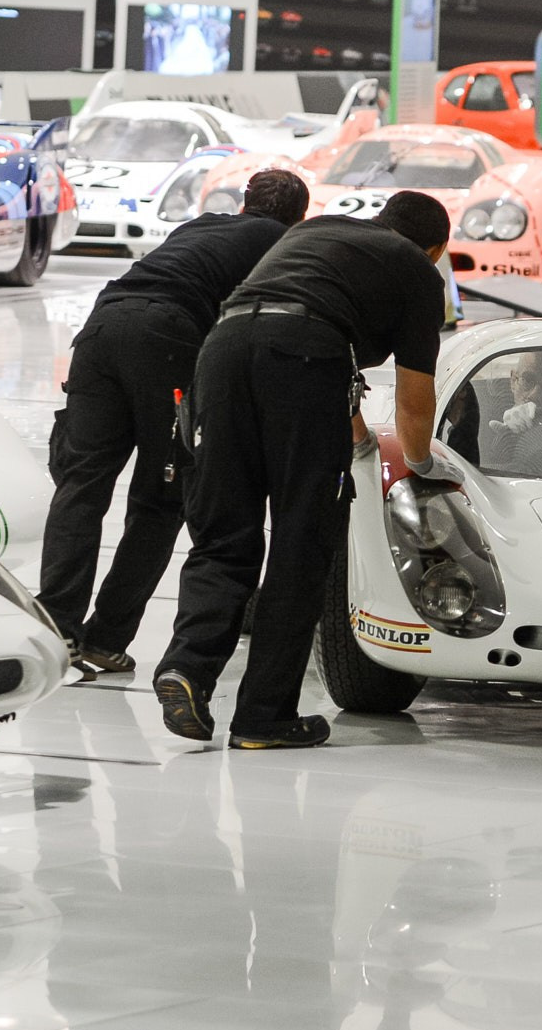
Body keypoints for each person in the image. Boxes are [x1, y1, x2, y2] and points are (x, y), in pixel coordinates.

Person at [154, 192, 454, 750]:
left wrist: (357, 439)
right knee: (301, 541)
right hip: (303, 359)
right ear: (436, 249)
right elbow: (413, 400)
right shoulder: (417, 270)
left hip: (221, 352)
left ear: (380, 220)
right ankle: (263, 717)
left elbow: (319, 345)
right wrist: (421, 466)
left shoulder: (315, 233)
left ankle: (186, 669)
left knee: (223, 534)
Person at [35, 169, 311, 676]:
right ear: (299, 216)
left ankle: (57, 627)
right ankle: (106, 637)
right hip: (166, 337)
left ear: (244, 202)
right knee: (160, 499)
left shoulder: (200, 225)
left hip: (101, 327)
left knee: (81, 484)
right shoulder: (282, 242)